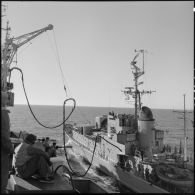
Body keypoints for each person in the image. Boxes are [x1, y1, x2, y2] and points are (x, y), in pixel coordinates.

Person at [1, 92, 15, 193]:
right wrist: (11, 149)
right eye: (6, 98)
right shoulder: (3, 114)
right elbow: (5, 136)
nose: (8, 101)